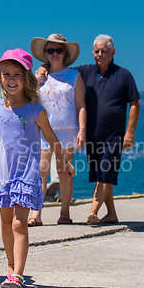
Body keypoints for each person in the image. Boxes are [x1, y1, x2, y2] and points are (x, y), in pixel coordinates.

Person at [0, 48, 73, 288]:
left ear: (26, 78)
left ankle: (18, 276)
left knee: (18, 222)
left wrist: (64, 162)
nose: (11, 79)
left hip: (27, 172)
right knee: (4, 223)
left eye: (16, 74)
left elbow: (52, 139)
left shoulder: (36, 111)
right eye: (6, 74)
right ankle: (11, 268)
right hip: (3, 173)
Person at [36, 34, 140, 225]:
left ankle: (90, 211)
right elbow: (57, 69)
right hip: (92, 133)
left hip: (111, 134)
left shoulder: (123, 75)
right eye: (96, 51)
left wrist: (130, 132)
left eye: (104, 51)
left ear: (113, 52)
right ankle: (111, 214)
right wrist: (42, 67)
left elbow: (134, 103)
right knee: (101, 175)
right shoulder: (86, 71)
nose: (100, 54)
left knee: (103, 172)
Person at [27, 33, 87, 226]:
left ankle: (65, 213)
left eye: (58, 50)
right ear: (45, 53)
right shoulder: (39, 76)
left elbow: (81, 105)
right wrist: (36, 80)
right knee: (41, 170)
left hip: (68, 129)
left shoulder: (74, 76)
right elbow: (30, 101)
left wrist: (82, 130)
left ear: (65, 53)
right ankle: (36, 214)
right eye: (50, 50)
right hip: (43, 129)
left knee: (64, 171)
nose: (54, 53)